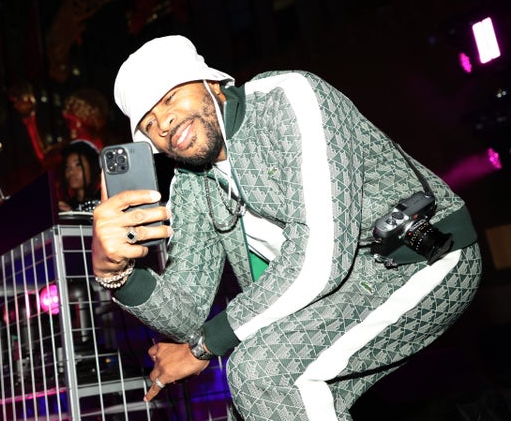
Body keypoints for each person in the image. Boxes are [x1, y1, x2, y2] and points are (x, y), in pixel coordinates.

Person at [91, 35, 482, 420]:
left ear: (211, 82)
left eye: (170, 98)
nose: (164, 122)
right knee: (253, 398)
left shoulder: (288, 99)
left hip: (426, 259)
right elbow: (187, 314)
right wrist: (117, 273)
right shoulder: (192, 183)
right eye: (149, 123)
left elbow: (319, 260)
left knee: (260, 374)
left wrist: (202, 347)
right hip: (343, 293)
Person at [58, 140, 101, 212]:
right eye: (67, 167)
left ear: (93, 167)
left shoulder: (106, 199)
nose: (71, 172)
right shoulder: (65, 207)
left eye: (78, 165)